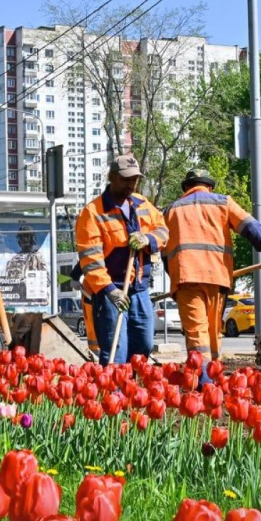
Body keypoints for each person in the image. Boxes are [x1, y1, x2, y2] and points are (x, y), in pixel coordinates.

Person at [163, 169, 261, 381]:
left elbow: (164, 254)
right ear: (209, 186)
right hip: (217, 277)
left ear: (186, 188)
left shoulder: (171, 210)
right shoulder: (223, 203)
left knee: (196, 333)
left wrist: (174, 278)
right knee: (213, 331)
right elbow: (251, 227)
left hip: (186, 278)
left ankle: (204, 384)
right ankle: (213, 380)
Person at [75, 154, 168, 365]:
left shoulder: (142, 203)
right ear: (112, 177)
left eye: (134, 179)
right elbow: (91, 261)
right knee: (116, 349)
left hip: (140, 289)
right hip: (111, 293)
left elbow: (163, 230)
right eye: (126, 179)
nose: (131, 184)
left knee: (143, 345)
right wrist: (110, 291)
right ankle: (113, 393)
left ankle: (132, 388)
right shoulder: (93, 213)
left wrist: (148, 239)